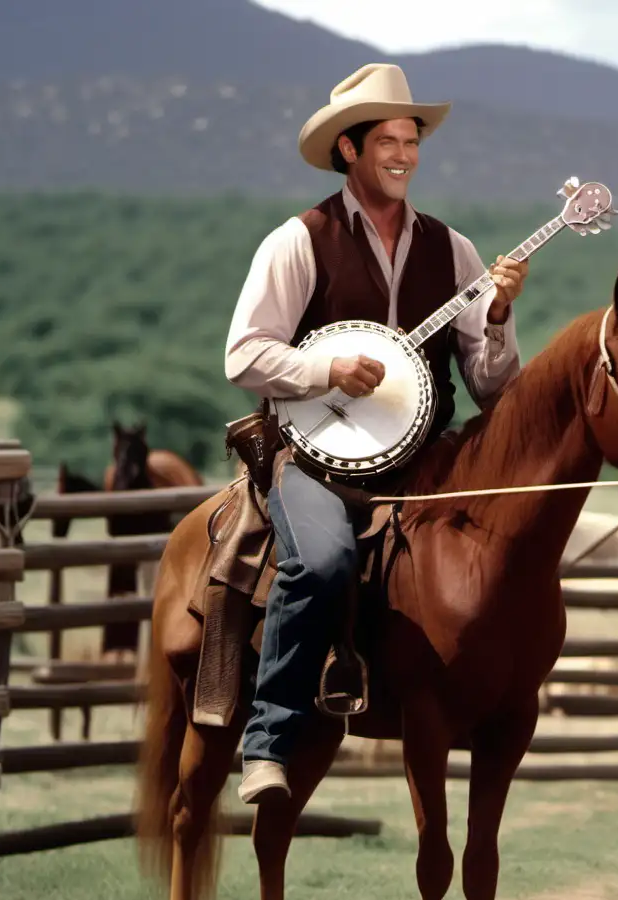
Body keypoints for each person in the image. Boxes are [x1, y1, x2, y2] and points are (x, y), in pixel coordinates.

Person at [224, 63, 530, 803]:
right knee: (323, 561)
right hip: (319, 460)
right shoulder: (298, 242)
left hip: (426, 458)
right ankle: (267, 741)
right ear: (349, 151)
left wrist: (495, 316)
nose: (403, 154)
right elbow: (244, 355)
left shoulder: (453, 251)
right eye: (386, 141)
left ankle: (463, 696)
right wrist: (326, 368)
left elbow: (492, 387)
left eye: (411, 140)